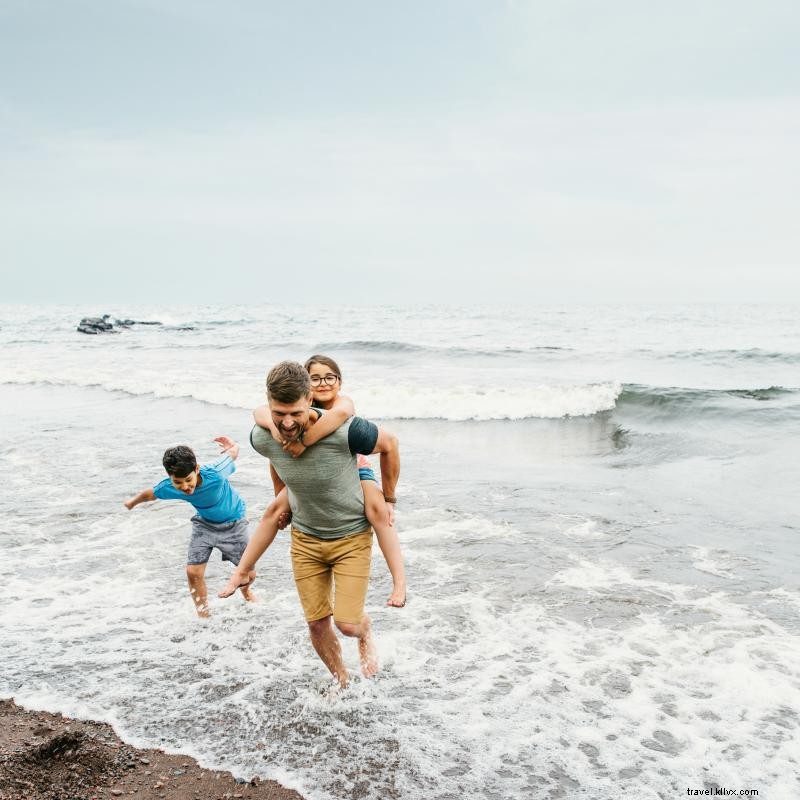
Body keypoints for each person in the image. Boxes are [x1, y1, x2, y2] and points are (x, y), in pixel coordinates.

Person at [220, 361, 400, 687]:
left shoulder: (346, 423)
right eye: (279, 414)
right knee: (316, 623)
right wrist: (282, 489)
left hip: (350, 477)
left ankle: (371, 617)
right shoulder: (268, 431)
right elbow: (272, 447)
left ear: (309, 399)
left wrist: (390, 498)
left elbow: (363, 425)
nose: (287, 423)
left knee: (377, 514)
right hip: (307, 518)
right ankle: (342, 680)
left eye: (294, 414)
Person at [252, 354, 406, 607]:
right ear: (305, 387)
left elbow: (339, 416)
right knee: (274, 509)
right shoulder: (290, 412)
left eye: (330, 377)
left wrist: (303, 441)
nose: (323, 383)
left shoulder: (342, 403)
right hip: (308, 477)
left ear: (339, 381)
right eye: (315, 378)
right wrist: (282, 493)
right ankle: (244, 571)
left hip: (353, 469)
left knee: (378, 512)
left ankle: (399, 582)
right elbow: (269, 440)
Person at [124, 436, 256, 618]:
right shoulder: (169, 486)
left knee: (249, 573)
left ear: (197, 469)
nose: (185, 487)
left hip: (234, 522)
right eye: (178, 482)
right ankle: (203, 614)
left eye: (188, 479)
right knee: (193, 571)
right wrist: (132, 502)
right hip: (204, 524)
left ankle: (246, 592)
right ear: (170, 478)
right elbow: (150, 494)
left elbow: (233, 455)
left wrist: (232, 446)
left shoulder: (216, 473)